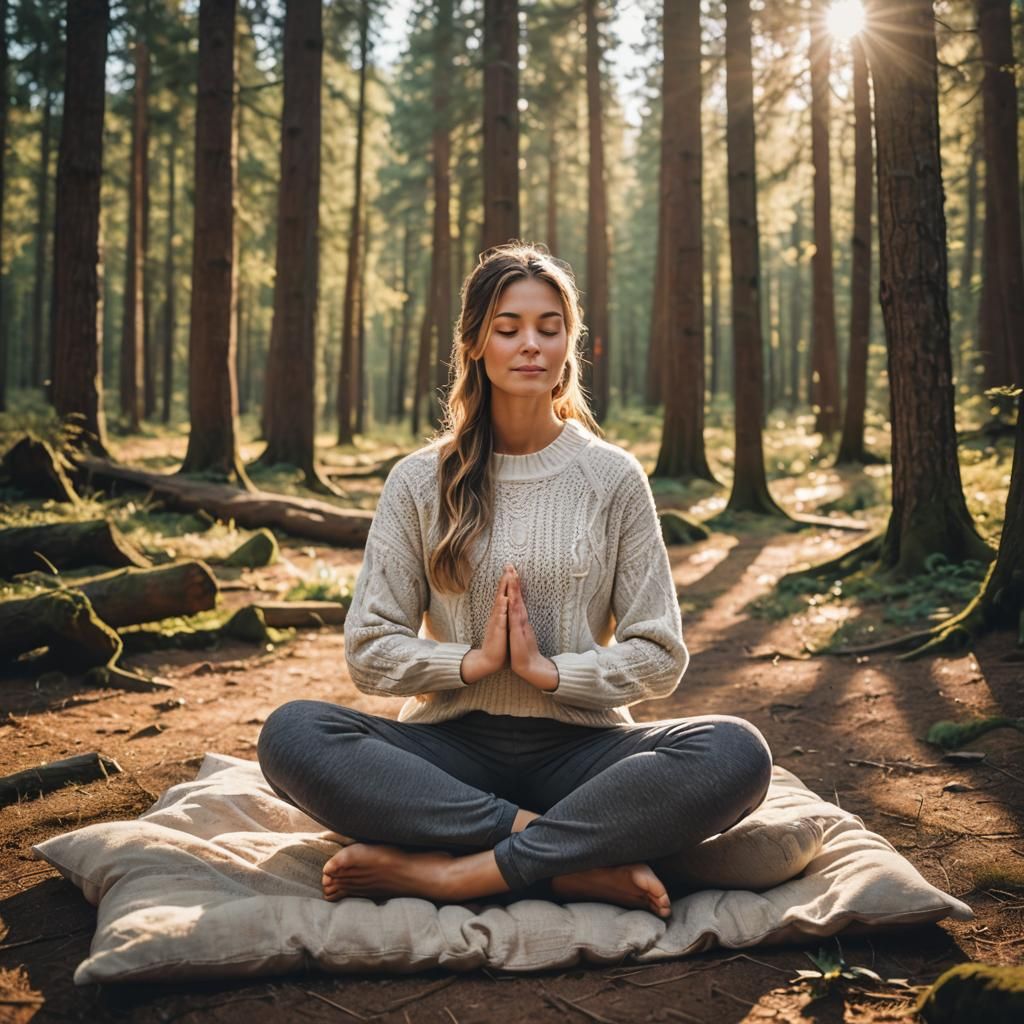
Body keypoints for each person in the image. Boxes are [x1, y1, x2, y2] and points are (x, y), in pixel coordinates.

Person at [257, 242, 773, 919]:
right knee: (292, 734)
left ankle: (453, 876)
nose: (530, 344)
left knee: (736, 752)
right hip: (446, 753)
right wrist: (469, 663)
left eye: (548, 327)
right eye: (508, 328)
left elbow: (660, 653)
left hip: (586, 756)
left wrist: (553, 675)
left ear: (570, 344)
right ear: (475, 342)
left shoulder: (611, 476)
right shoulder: (420, 480)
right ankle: (564, 860)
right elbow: (368, 648)